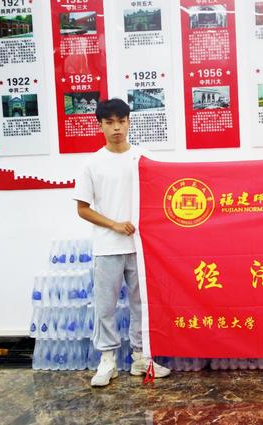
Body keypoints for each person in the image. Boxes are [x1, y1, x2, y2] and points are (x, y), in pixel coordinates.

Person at [73, 98, 170, 387]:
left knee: (142, 305)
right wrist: (114, 224)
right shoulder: (92, 164)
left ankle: (141, 357)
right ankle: (108, 360)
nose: (116, 128)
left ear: (129, 122)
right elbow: (82, 209)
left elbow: (162, 196)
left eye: (121, 121)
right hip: (107, 247)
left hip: (142, 248)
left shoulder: (144, 158)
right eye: (110, 122)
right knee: (106, 306)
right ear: (100, 126)